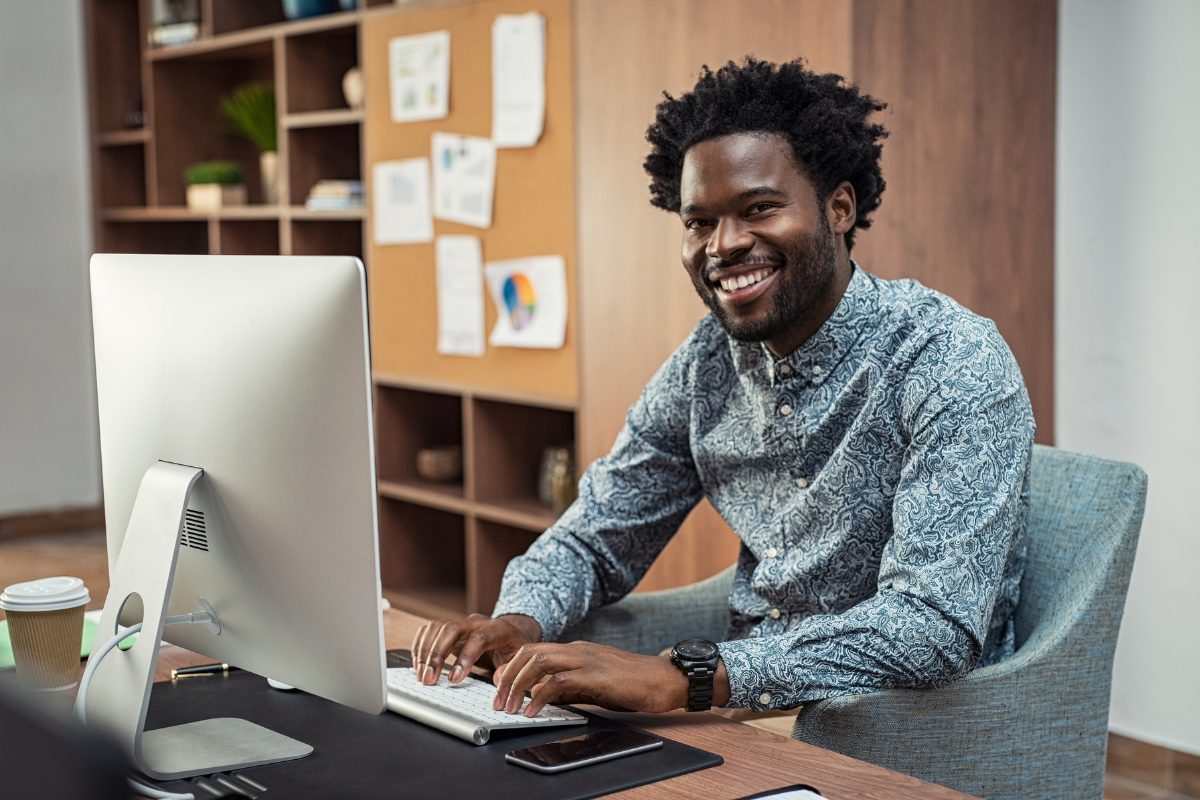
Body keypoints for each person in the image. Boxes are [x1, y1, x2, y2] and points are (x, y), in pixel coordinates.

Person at [411, 57, 1035, 724]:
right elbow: (599, 533)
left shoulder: (950, 360)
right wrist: (520, 618)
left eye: (758, 208)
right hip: (741, 705)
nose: (723, 245)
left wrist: (693, 678)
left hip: (897, 725)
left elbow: (931, 627)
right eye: (699, 222)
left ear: (839, 207)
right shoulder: (707, 361)